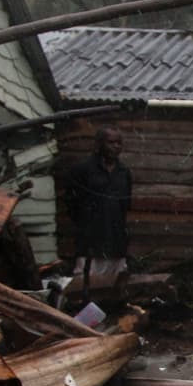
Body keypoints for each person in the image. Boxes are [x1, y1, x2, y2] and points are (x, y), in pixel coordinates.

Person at [66, 126, 132, 301]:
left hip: (116, 238)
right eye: (111, 142)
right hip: (91, 238)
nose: (116, 147)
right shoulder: (83, 170)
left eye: (119, 143)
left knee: (115, 283)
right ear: (99, 144)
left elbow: (125, 204)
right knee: (85, 284)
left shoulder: (123, 172)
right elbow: (72, 204)